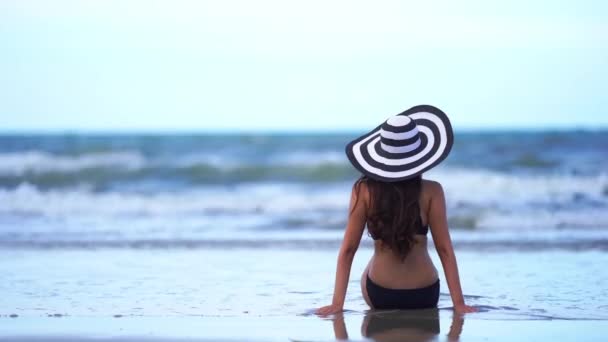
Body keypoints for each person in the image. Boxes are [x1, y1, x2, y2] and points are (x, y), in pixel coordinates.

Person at [316, 105, 476, 315]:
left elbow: (348, 250)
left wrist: (337, 305)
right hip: (425, 295)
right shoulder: (433, 191)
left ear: (381, 155)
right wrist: (459, 304)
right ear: (419, 155)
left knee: (371, 265)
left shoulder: (363, 190)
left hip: (381, 294)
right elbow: (444, 249)